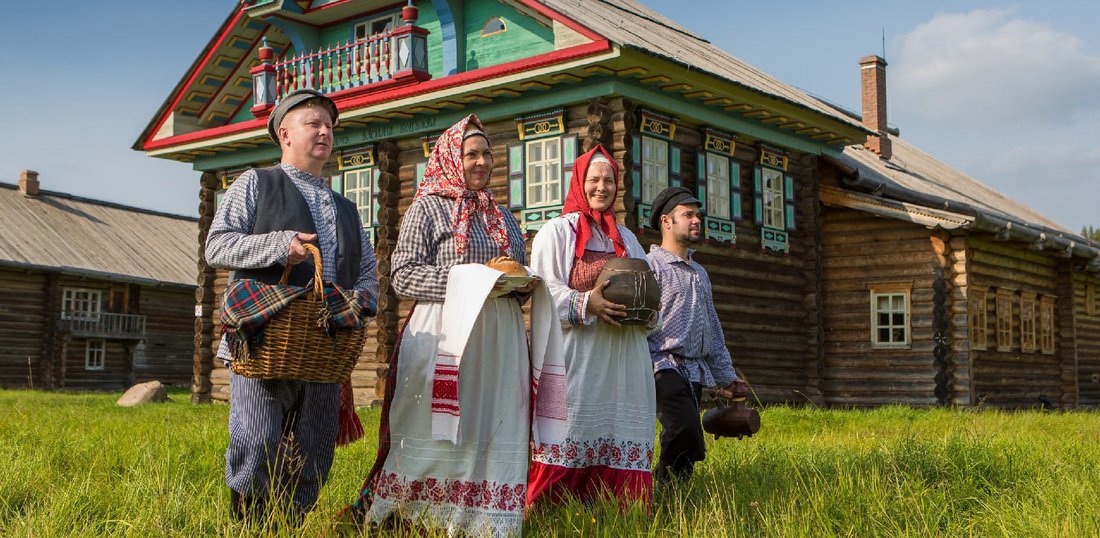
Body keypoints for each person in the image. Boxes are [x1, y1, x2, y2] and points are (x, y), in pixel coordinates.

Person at [347, 114, 552, 537]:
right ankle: (413, 515)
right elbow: (402, 275)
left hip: (499, 336)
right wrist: (471, 279)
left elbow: (513, 279)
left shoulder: (503, 218)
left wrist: (521, 284)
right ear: (449, 158)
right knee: (430, 425)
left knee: (491, 422)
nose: (481, 162)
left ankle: (485, 521)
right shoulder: (427, 207)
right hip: (445, 330)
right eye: (470, 154)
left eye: (487, 154)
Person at [205, 88, 379, 521]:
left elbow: (368, 274)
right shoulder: (256, 183)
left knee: (314, 449)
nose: (325, 132)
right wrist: (280, 246)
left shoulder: (348, 207)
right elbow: (217, 246)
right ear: (284, 133)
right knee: (257, 440)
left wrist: (362, 302)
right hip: (261, 343)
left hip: (322, 350)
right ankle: (249, 525)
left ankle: (293, 523)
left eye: (330, 127)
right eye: (313, 123)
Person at [526, 145, 655, 508]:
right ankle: (551, 508)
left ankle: (619, 507)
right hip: (575, 356)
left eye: (609, 180)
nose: (602, 187)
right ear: (579, 183)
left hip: (622, 357)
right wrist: (588, 303)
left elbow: (649, 288)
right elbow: (544, 290)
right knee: (572, 426)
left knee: (619, 425)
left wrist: (647, 311)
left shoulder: (627, 239)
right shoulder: (556, 232)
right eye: (594, 180)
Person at [646, 186, 746, 483]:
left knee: (686, 445)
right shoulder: (652, 267)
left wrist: (726, 377)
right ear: (666, 221)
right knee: (685, 428)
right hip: (661, 365)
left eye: (697, 215)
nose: (696, 220)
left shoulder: (700, 273)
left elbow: (712, 328)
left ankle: (675, 498)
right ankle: (659, 488)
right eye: (687, 215)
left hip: (694, 370)